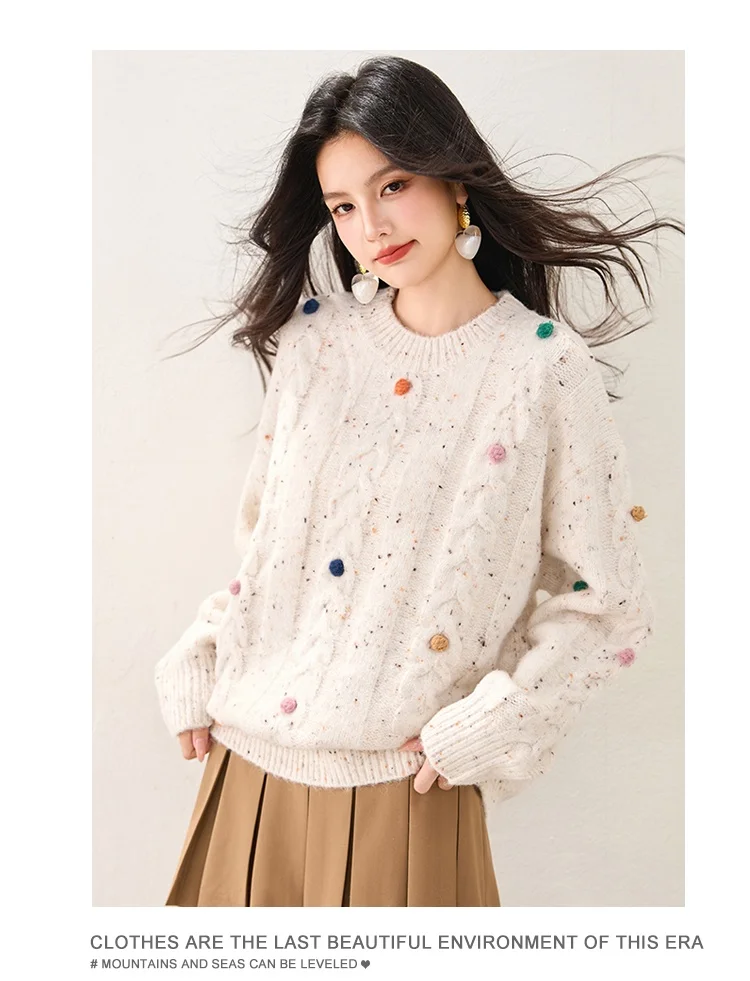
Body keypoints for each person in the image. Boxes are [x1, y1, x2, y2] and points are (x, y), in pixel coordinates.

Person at [154, 54, 683, 907]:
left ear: (452, 177)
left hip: (406, 792)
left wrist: (501, 719)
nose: (370, 225)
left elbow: (610, 603)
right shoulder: (313, 344)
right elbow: (268, 550)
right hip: (244, 773)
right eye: (342, 206)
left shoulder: (542, 370)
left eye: (392, 186)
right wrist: (205, 646)